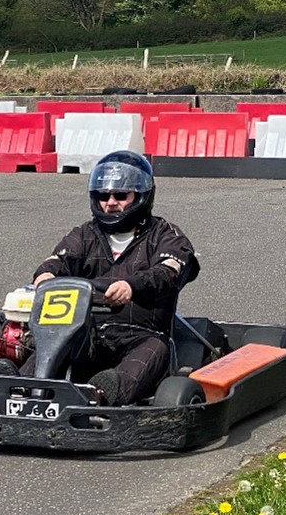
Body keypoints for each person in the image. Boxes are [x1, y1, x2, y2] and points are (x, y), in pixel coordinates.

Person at [17, 150, 199, 406]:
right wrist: (44, 276)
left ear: (142, 196)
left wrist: (131, 286)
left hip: (140, 334)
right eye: (104, 196)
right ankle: (21, 385)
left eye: (120, 196)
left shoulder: (165, 235)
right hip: (87, 331)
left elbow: (167, 273)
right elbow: (58, 261)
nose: (110, 202)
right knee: (55, 338)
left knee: (155, 348)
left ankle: (101, 396)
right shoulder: (84, 234)